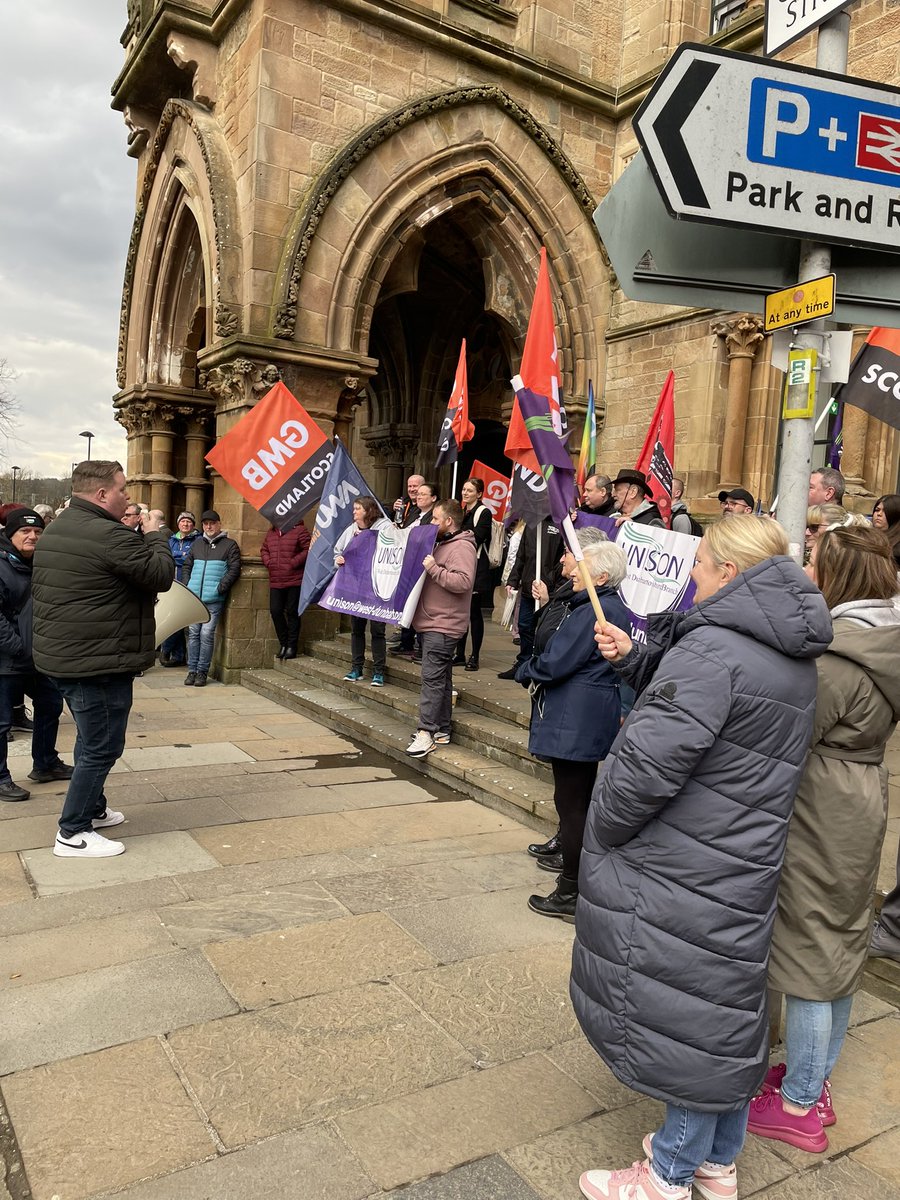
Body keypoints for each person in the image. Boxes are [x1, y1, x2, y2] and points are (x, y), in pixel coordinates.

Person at [573, 515, 831, 1200]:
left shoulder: (715, 648)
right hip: (742, 857)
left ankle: (668, 1175)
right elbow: (726, 709)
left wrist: (602, 827)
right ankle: (718, 1161)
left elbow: (646, 768)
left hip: (689, 860)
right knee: (726, 1008)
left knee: (696, 1022)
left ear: (732, 573)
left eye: (703, 563)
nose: (692, 574)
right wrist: (637, 659)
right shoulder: (788, 650)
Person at [747, 523, 900, 1154]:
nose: (807, 574)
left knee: (810, 956)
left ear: (837, 578)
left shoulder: (841, 658)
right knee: (839, 944)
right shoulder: (885, 641)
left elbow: (788, 733)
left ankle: (800, 1102)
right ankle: (814, 1079)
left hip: (822, 807)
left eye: (813, 563)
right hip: (859, 798)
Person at [32, 460, 175, 858]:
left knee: (88, 740)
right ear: (101, 495)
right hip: (98, 663)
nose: (128, 498)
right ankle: (72, 832)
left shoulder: (59, 527)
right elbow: (161, 574)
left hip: (66, 658)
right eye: (123, 490)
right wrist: (155, 532)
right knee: (101, 747)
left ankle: (92, 810)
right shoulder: (110, 535)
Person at [515, 530, 629, 920]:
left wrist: (527, 670)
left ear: (601, 578)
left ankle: (571, 890)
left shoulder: (597, 610)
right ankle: (577, 885)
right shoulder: (594, 605)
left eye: (582, 568)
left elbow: (560, 659)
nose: (574, 573)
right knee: (575, 801)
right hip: (582, 713)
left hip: (576, 716)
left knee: (572, 804)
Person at [0, 509, 73, 803]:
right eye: (25, 532)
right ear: (10, 535)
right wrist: (18, 646)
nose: (32, 537)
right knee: (2, 722)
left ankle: (45, 763)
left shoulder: (41, 564)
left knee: (51, 704)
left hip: (37, 656)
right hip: (7, 659)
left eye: (37, 532)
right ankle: (1, 777)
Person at [406, 499, 476, 757]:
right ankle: (442, 728)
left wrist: (434, 569)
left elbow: (463, 582)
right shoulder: (443, 543)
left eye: (436, 519)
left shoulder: (462, 547)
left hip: (443, 624)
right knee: (442, 679)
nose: (432, 523)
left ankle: (426, 732)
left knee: (432, 680)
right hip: (433, 621)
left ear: (449, 521)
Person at [497, 515, 565, 679]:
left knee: (545, 628)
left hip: (548, 591)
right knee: (524, 625)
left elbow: (561, 560)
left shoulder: (560, 525)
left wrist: (549, 583)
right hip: (529, 586)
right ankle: (524, 662)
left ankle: (540, 662)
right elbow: (521, 554)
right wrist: (513, 579)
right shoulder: (532, 524)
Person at [335, 496, 391, 687]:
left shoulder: (384, 527)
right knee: (356, 629)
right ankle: (356, 668)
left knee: (377, 630)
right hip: (356, 588)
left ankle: (378, 671)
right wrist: (339, 559)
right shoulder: (351, 529)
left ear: (368, 510)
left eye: (358, 508)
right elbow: (338, 551)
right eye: (354, 508)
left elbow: (392, 549)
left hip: (376, 588)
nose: (354, 512)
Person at [183, 510, 241, 687]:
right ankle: (191, 670)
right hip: (194, 598)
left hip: (213, 599)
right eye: (206, 523)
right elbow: (187, 566)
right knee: (193, 634)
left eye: (212, 523)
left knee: (206, 635)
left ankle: (202, 672)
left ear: (219, 524)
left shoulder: (230, 545)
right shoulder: (197, 544)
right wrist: (188, 585)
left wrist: (220, 588)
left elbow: (234, 569)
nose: (209, 526)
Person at [390, 483, 439, 660]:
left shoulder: (433, 517)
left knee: (419, 606)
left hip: (422, 566)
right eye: (417, 494)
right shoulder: (413, 513)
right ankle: (406, 642)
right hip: (406, 564)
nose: (418, 497)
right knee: (407, 604)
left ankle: (420, 646)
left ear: (433, 498)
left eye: (423, 494)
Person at [455, 477, 492, 671]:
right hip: (462, 565)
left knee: (474, 613)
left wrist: (457, 536)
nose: (465, 493)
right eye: (464, 489)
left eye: (469, 490)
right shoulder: (461, 511)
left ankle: (474, 656)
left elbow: (478, 536)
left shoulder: (483, 512)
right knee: (461, 612)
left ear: (479, 494)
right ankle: (459, 654)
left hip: (477, 568)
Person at [261, 519, 311, 659]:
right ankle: (283, 643)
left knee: (292, 612)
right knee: (275, 611)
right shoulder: (271, 532)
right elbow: (264, 549)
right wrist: (268, 562)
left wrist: (293, 562)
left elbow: (309, 548)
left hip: (294, 579)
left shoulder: (300, 530)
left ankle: (291, 646)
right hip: (276, 579)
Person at [159, 511, 200, 667]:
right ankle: (178, 655)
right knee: (173, 619)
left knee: (179, 620)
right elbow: (166, 557)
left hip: (187, 584)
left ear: (193, 525)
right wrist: (180, 556)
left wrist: (178, 556)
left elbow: (189, 558)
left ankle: (167, 651)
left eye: (189, 522)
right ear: (178, 524)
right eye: (183, 521)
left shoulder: (198, 540)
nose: (185, 524)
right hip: (171, 584)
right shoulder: (171, 540)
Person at [871, 493, 900, 566]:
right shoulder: (866, 536)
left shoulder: (897, 550)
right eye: (877, 510)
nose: (879, 514)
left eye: (885, 511)